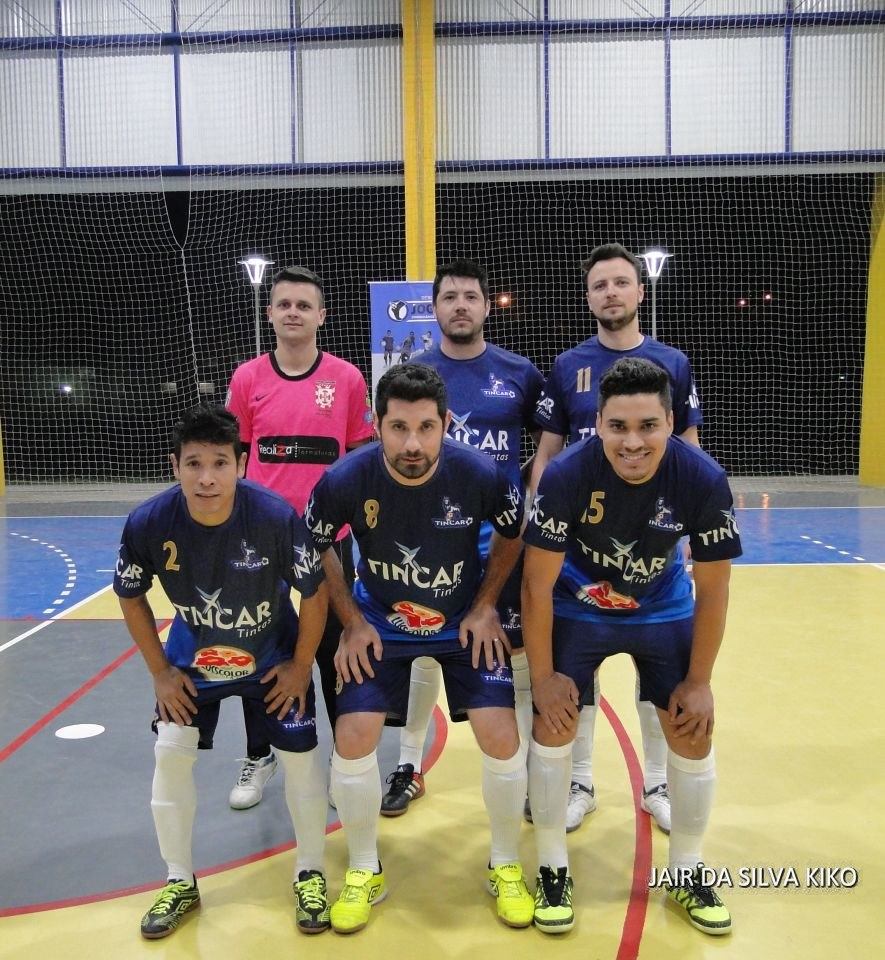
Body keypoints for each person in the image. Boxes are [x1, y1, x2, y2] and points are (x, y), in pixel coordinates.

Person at [305, 363, 534, 934]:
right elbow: (317, 544)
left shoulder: (479, 473)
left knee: (501, 735)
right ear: (376, 425)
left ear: (446, 424)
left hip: (459, 622)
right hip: (382, 623)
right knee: (353, 736)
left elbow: (513, 534)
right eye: (399, 427)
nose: (413, 443)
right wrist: (351, 621)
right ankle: (364, 868)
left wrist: (485, 605)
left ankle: (505, 863)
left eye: (427, 428)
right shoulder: (345, 479)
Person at [522, 357, 740, 935]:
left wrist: (700, 681)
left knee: (692, 728)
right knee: (553, 722)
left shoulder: (702, 478)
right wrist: (543, 679)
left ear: (671, 423)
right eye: (618, 426)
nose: (633, 442)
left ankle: (687, 869)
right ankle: (553, 868)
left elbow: (714, 589)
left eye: (648, 426)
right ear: (597, 424)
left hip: (660, 607)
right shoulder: (566, 475)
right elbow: (536, 585)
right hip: (579, 604)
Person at [114, 405, 332, 939]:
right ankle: (179, 880)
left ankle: (310, 872)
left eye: (219, 462)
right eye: (194, 464)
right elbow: (131, 596)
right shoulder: (148, 522)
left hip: (272, 659)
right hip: (193, 661)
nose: (207, 477)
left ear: (241, 464)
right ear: (175, 466)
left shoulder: (275, 517)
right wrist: (160, 672)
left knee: (301, 758)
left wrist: (301, 666)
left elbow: (315, 592)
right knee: (170, 752)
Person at [528, 242, 703, 834]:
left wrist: (689, 528)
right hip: (579, 549)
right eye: (600, 285)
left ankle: (658, 783)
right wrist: (540, 522)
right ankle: (579, 781)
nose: (611, 293)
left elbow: (690, 450)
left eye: (621, 283)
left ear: (640, 292)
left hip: (651, 544)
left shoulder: (672, 363)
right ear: (588, 298)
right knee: (577, 673)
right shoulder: (566, 365)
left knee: (659, 674)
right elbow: (547, 454)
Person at [378, 259, 543, 817]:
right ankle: (409, 765)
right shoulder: (415, 376)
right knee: (424, 653)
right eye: (449, 297)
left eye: (471, 296)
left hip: (502, 543)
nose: (460, 306)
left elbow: (551, 443)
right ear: (435, 308)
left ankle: (523, 773)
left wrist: (524, 488)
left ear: (486, 306)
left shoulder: (519, 373)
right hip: (432, 542)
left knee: (513, 653)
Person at [225, 265, 374, 809]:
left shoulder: (347, 378)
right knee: (258, 647)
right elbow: (236, 458)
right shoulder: (247, 379)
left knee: (335, 649)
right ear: (269, 314)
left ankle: (342, 759)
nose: (293, 312)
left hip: (329, 539)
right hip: (262, 539)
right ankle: (259, 753)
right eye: (284, 304)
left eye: (303, 305)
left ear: (321, 316)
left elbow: (359, 456)